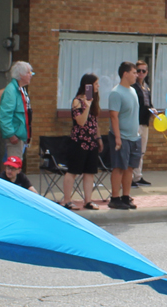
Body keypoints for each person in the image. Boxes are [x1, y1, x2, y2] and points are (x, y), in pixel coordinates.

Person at [62, 73, 103, 211]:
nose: (98, 86)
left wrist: (99, 138)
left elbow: (94, 122)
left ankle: (88, 200)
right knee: (73, 171)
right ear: (88, 86)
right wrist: (87, 106)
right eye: (96, 84)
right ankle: (67, 200)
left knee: (90, 172)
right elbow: (81, 121)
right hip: (78, 141)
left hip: (91, 142)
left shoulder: (94, 101)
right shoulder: (77, 101)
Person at [108, 61, 141, 210]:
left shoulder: (133, 91)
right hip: (121, 136)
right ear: (125, 74)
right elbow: (114, 116)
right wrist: (117, 137)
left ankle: (126, 197)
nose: (137, 75)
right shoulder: (116, 92)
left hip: (134, 136)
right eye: (134, 72)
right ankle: (114, 198)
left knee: (130, 168)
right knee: (119, 167)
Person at [0, 61, 34, 160]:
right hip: (16, 136)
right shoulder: (11, 91)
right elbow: (5, 115)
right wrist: (11, 135)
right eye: (28, 72)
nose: (31, 75)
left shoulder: (21, 90)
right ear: (21, 74)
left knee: (17, 164)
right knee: (14, 166)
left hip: (21, 135)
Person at [132, 60, 155, 187]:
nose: (141, 73)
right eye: (138, 70)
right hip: (136, 121)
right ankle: (129, 177)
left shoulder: (146, 86)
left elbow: (147, 103)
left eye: (143, 71)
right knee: (134, 150)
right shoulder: (133, 86)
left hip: (145, 122)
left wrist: (153, 109)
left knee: (141, 151)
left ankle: (138, 176)